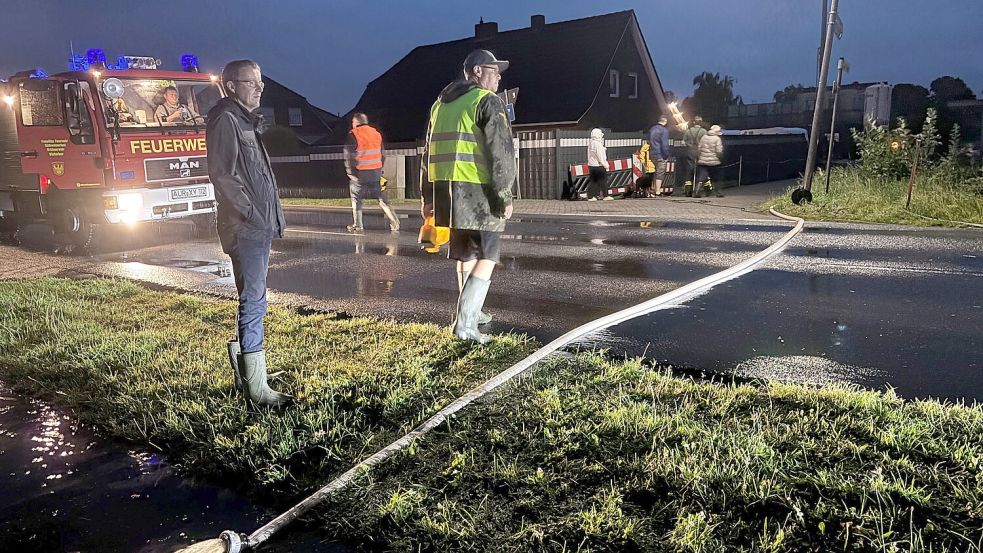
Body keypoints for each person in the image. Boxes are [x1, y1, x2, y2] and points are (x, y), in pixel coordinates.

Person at [207, 59, 289, 407]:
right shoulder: (227, 120)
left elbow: (258, 174)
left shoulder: (244, 120)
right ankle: (257, 389)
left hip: (255, 224)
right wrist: (254, 215)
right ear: (230, 85)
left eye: (260, 82)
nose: (259, 88)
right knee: (254, 300)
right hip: (246, 227)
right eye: (251, 82)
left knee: (250, 299)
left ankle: (249, 379)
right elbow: (223, 175)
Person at [423, 49, 516, 342]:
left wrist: (427, 196)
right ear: (477, 71)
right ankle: (465, 325)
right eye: (494, 70)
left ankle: (473, 313)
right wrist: (505, 195)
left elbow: (427, 152)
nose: (499, 76)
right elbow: (501, 153)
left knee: (465, 254)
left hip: (445, 190)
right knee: (487, 255)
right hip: (477, 191)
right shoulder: (487, 102)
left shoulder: (441, 104)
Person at [343, 113, 400, 233]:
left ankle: (358, 225)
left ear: (356, 123)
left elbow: (349, 156)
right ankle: (395, 222)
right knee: (382, 199)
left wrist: (350, 172)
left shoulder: (353, 135)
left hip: (360, 173)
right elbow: (382, 154)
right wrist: (378, 168)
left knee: (357, 199)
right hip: (375, 172)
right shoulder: (376, 134)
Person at [696, 124, 724, 198]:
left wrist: (700, 157)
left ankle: (697, 191)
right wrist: (720, 158)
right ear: (717, 132)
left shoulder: (704, 137)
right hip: (714, 162)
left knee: (702, 177)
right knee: (716, 177)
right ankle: (718, 193)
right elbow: (719, 151)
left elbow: (699, 148)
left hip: (703, 161)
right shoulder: (717, 139)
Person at [682, 116, 707, 197]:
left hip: (690, 151)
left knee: (689, 171)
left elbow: (683, 142)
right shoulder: (704, 131)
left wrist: (689, 145)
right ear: (701, 122)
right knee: (700, 170)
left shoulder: (688, 131)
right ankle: (698, 189)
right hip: (700, 152)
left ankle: (687, 191)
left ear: (694, 122)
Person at [648, 115, 671, 195]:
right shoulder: (664, 130)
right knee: (660, 172)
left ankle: (652, 188)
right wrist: (667, 154)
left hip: (652, 153)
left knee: (654, 171)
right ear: (665, 121)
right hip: (660, 154)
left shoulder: (652, 129)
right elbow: (664, 145)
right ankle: (657, 190)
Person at [586, 128, 611, 201]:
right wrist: (605, 164)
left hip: (592, 165)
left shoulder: (591, 142)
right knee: (603, 181)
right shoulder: (598, 144)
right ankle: (605, 195)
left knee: (593, 181)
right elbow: (600, 156)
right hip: (599, 165)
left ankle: (591, 196)